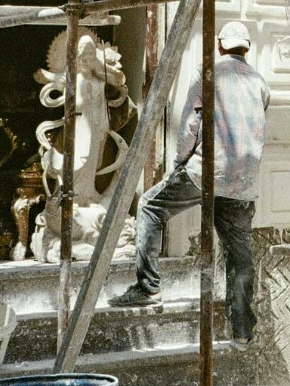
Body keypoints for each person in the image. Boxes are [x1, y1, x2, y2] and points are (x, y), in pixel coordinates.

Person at [110, 21, 270, 347]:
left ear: (221, 46)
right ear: (247, 48)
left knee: (149, 207)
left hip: (206, 171)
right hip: (243, 181)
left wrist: (179, 163)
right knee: (239, 254)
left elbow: (189, 127)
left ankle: (148, 287)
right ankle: (242, 330)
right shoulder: (260, 83)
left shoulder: (208, 75)